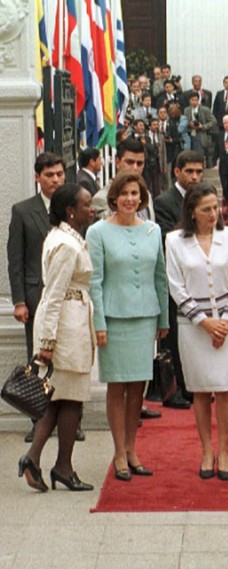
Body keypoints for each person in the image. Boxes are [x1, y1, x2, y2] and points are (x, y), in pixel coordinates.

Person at [87, 170, 169, 481]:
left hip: (145, 317)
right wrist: (99, 323)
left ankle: (133, 448)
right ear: (113, 198)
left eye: (135, 194)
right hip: (114, 318)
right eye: (124, 194)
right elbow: (95, 281)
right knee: (117, 385)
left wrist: (163, 320)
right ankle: (119, 451)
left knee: (139, 386)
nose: (129, 199)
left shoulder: (153, 230)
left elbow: (160, 277)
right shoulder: (97, 232)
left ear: (142, 197)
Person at [18, 185, 96, 493]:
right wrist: (47, 342)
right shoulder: (66, 244)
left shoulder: (65, 237)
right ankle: (61, 466)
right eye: (87, 204)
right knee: (70, 399)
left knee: (56, 398)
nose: (92, 209)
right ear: (70, 211)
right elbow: (52, 295)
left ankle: (35, 459)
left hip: (69, 321)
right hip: (65, 326)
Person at [165, 184, 228, 481]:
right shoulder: (174, 241)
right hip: (193, 326)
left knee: (224, 388)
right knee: (200, 390)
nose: (214, 214)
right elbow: (176, 286)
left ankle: (224, 449)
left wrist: (223, 321)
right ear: (192, 212)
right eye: (206, 210)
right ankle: (206, 449)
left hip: (227, 323)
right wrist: (204, 321)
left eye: (216, 207)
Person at [8, 152, 69, 443]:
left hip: (68, 298)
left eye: (59, 174)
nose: (55, 179)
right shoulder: (22, 211)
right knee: (38, 358)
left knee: (67, 357)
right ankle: (38, 420)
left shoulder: (73, 206)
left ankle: (70, 421)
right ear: (37, 177)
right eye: (49, 175)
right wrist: (19, 300)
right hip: (35, 296)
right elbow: (15, 260)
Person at [154, 151, 206, 410]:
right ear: (177, 172)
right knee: (173, 336)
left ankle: (196, 384)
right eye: (190, 171)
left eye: (199, 171)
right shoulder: (164, 201)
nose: (195, 177)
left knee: (198, 335)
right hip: (174, 278)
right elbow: (164, 239)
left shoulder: (206, 197)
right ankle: (174, 388)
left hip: (201, 277)